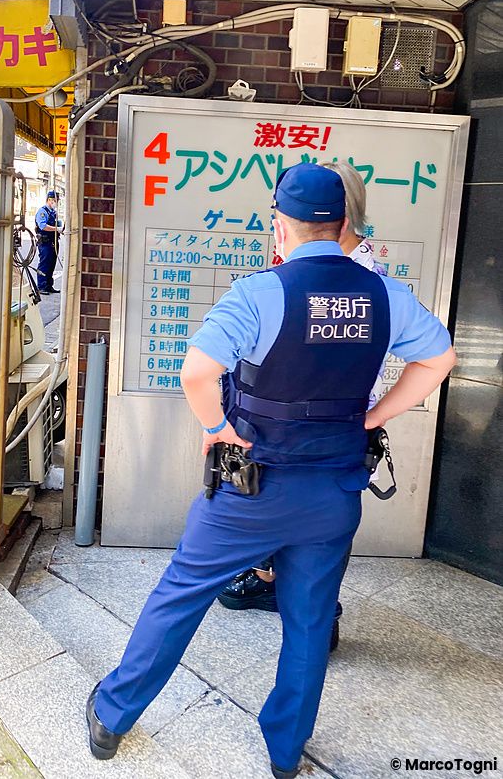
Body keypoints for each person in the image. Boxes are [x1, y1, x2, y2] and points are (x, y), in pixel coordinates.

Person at [86, 163, 455, 777]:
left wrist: (217, 428)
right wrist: (372, 417)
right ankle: (285, 753)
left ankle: (112, 717)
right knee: (309, 619)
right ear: (344, 226)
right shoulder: (384, 294)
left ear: (278, 225)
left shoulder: (259, 292)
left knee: (181, 596)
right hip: (335, 491)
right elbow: (439, 359)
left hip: (249, 491)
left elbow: (197, 373)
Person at [217, 161, 387, 652]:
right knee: (292, 501)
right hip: (303, 420)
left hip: (324, 422)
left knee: (318, 517)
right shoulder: (341, 265)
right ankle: (273, 582)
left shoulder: (356, 275)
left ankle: (320, 612)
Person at [35, 190, 60, 295]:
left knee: (51, 265)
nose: (55, 202)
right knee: (44, 264)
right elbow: (43, 226)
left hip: (53, 243)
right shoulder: (42, 211)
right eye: (54, 200)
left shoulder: (53, 212)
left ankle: (49, 286)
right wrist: (56, 229)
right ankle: (41, 286)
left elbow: (58, 224)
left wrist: (60, 229)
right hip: (45, 243)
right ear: (49, 200)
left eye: (56, 200)